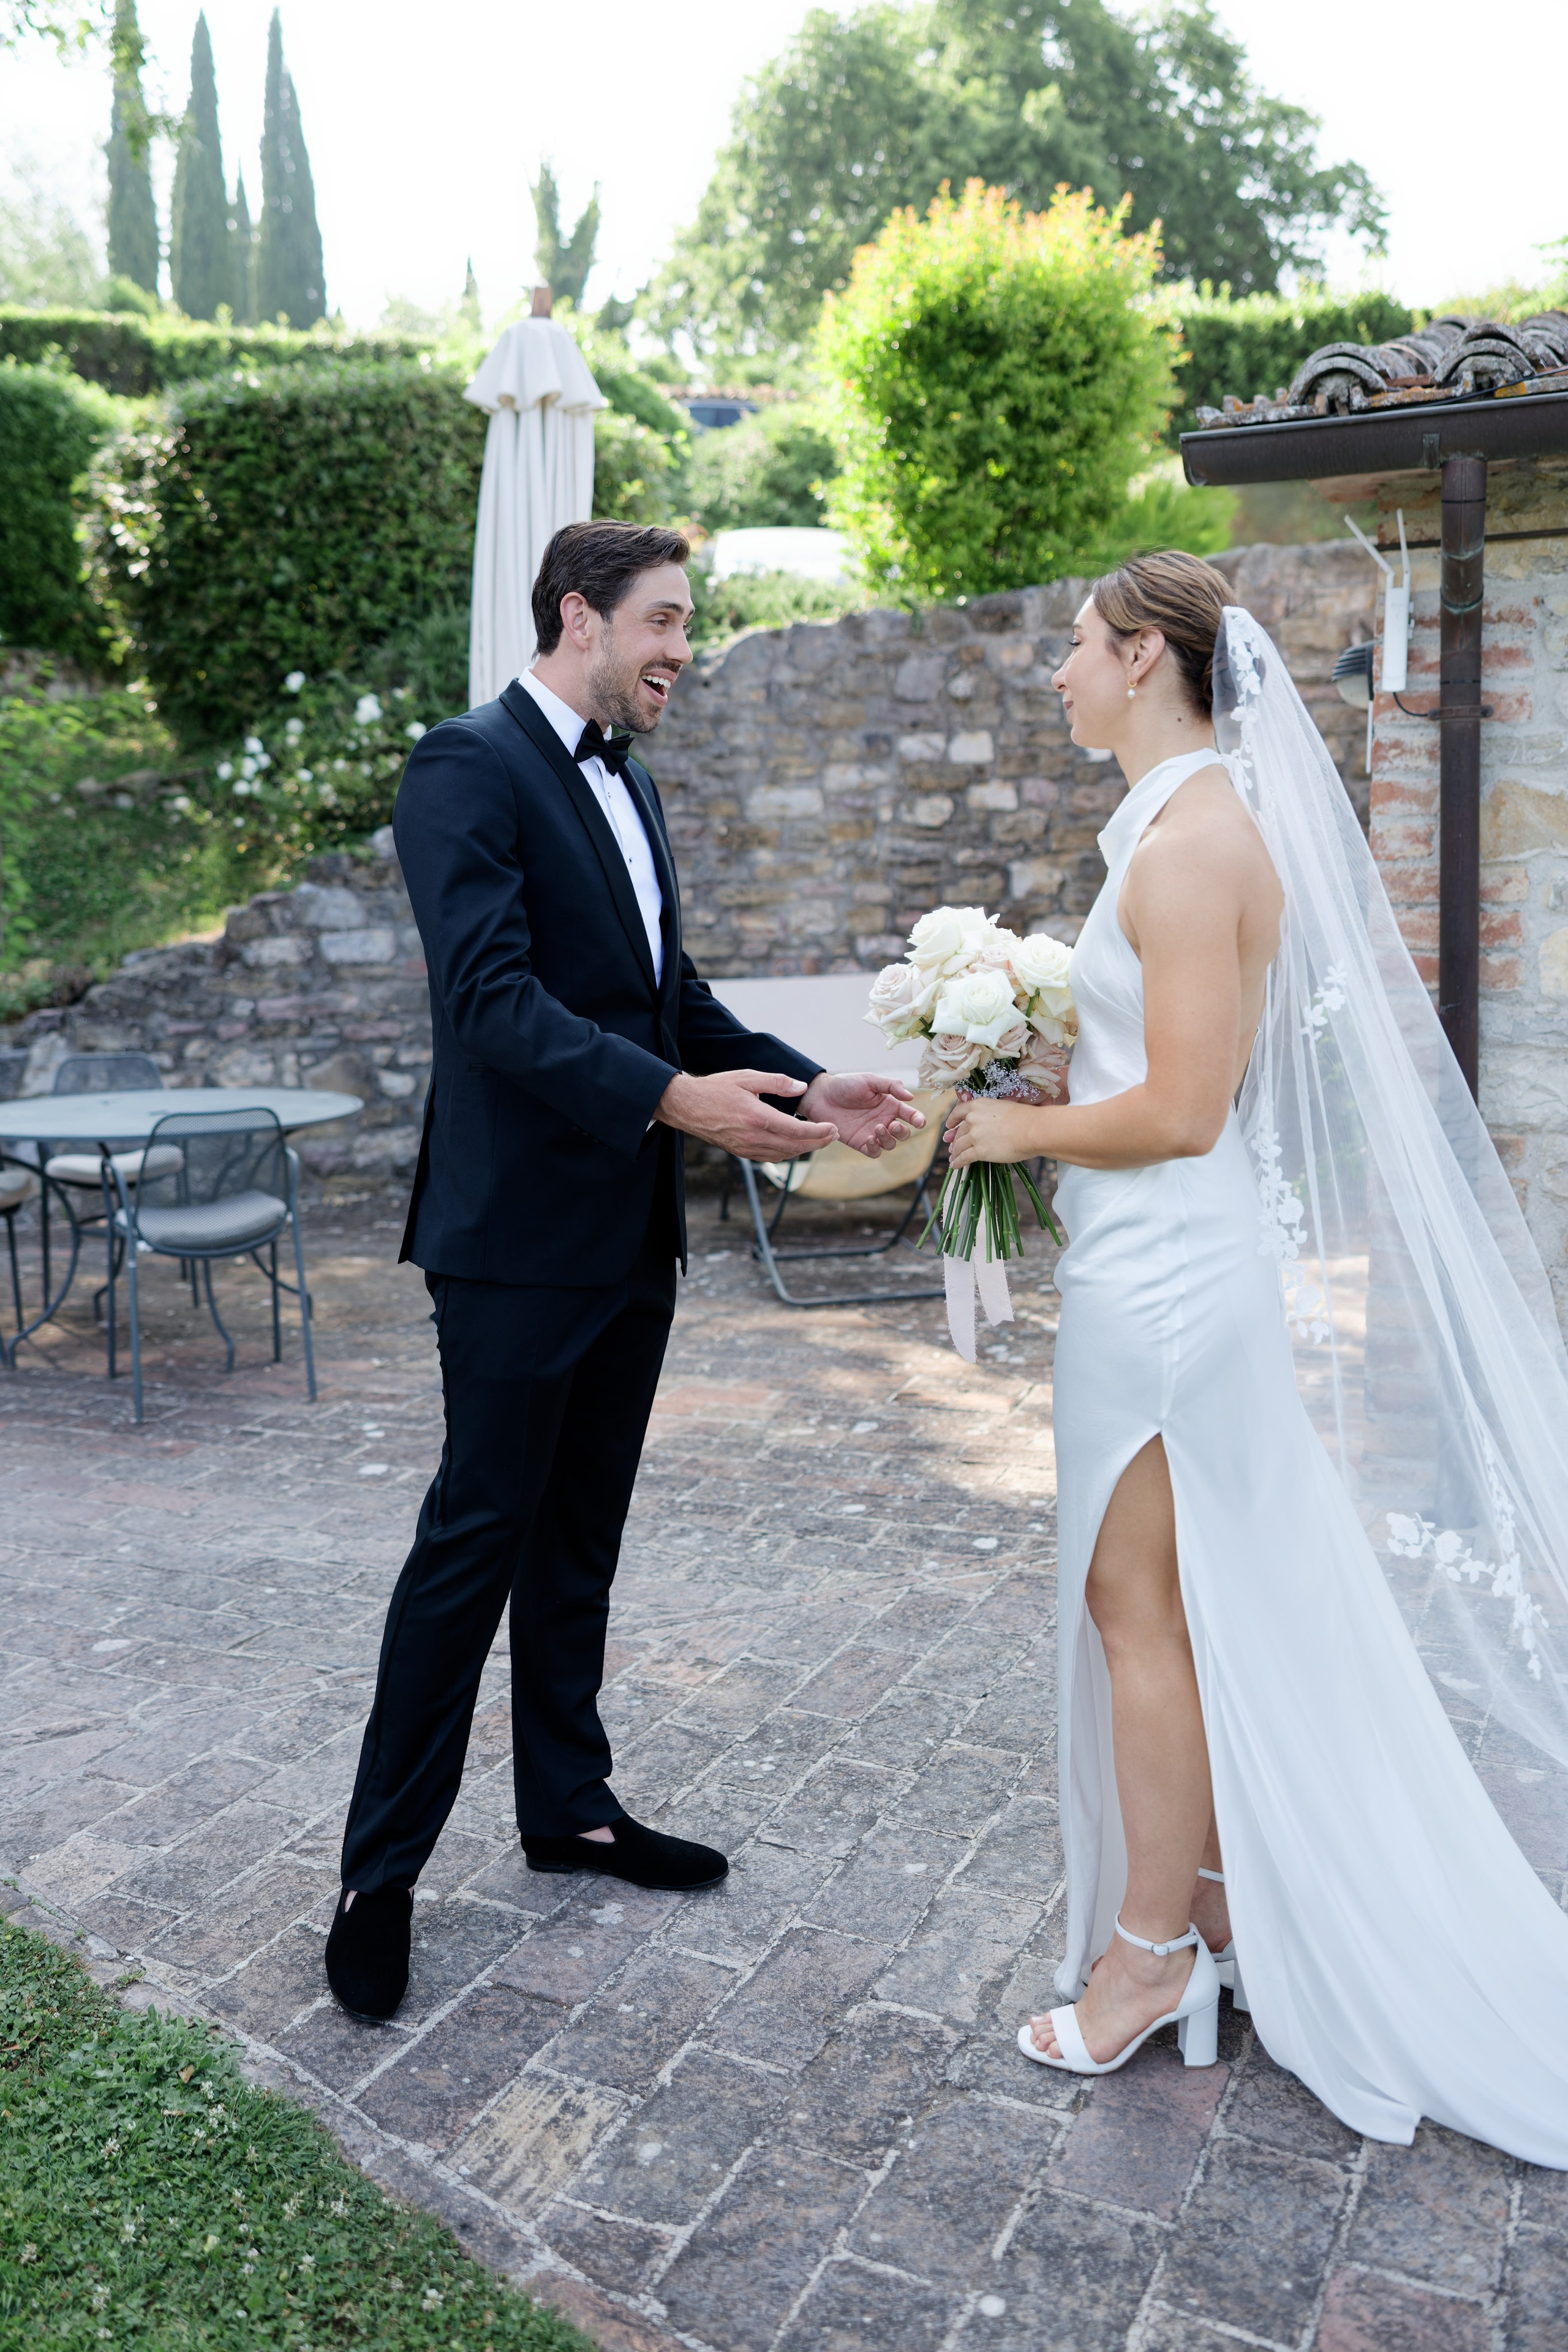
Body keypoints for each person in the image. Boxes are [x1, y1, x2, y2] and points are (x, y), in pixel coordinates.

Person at [944, 551, 1568, 2160]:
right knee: (1162, 1600)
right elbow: (1146, 1053)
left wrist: (1013, 1128)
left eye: (1078, 646)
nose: (1062, 671)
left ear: (1147, 657)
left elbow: (1183, 1111)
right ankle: (1206, 1908)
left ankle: (1151, 1959)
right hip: (1147, 1263)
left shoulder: (1199, 839)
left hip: (1166, 1283)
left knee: (1138, 1608)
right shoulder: (1167, 826)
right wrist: (1027, 1044)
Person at [326, 520, 922, 2022]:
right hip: (515, 1242)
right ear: (579, 618)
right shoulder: (463, 766)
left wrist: (805, 1084)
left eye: (687, 625)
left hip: (629, 1232)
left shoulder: (631, 779)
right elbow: (491, 1002)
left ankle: (570, 1810)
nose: (680, 652)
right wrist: (674, 1102)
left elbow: (670, 997)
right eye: (663, 622)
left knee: (577, 1539)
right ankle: (376, 1878)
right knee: (472, 1545)